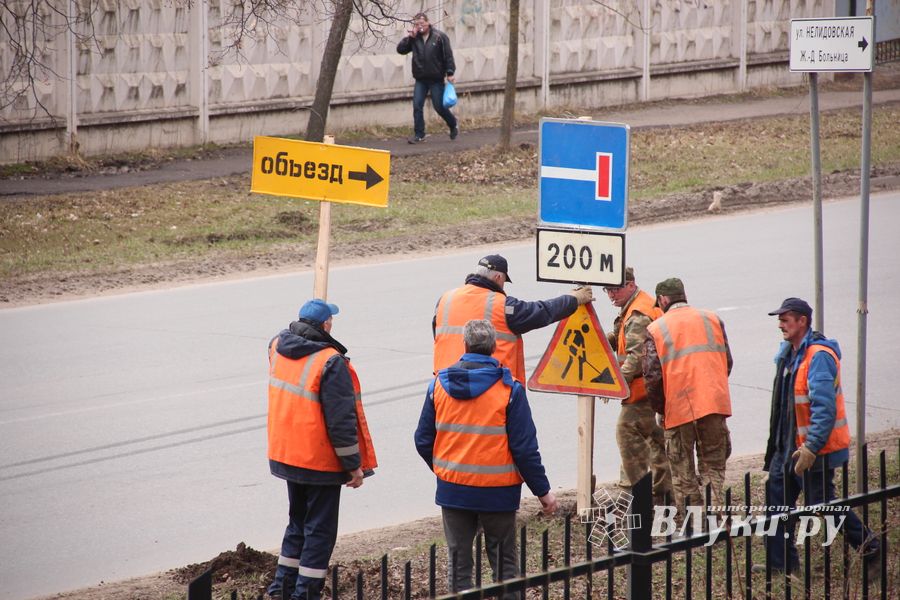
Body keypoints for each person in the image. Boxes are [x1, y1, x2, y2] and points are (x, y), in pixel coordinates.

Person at [415, 319, 557, 597]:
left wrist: (445, 470)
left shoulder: (439, 385)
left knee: (459, 565)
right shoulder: (509, 390)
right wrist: (543, 492)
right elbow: (525, 449)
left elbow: (422, 439)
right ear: (494, 348)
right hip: (498, 494)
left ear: (465, 345)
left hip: (454, 490)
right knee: (505, 566)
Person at [266, 299, 377, 600]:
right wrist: (353, 465)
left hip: (288, 454)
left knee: (297, 523)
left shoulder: (277, 345)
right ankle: (305, 593)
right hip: (319, 462)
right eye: (331, 321)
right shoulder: (330, 362)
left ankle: (281, 589)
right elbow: (341, 422)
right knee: (319, 532)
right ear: (326, 324)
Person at [762, 297, 880, 576]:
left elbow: (824, 408)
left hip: (811, 451)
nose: (780, 324)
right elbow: (782, 407)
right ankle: (782, 567)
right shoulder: (789, 354)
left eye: (785, 318)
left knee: (824, 508)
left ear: (802, 320)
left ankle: (870, 546)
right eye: (779, 319)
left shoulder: (819, 356)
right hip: (784, 449)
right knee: (776, 506)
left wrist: (810, 447)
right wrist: (775, 453)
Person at [642, 277, 733, 520]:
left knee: (683, 470)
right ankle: (716, 520)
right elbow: (727, 362)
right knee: (713, 466)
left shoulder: (656, 328)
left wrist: (663, 409)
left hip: (680, 409)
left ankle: (695, 525)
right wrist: (712, 390)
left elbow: (652, 377)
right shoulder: (712, 319)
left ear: (662, 300)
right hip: (714, 404)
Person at [433, 254, 594, 384]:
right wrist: (574, 299)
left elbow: (438, 335)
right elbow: (541, 312)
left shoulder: (445, 300)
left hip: (446, 386)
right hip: (490, 387)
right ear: (497, 277)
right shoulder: (502, 306)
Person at [603, 267, 672, 504]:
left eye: (615, 289)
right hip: (656, 388)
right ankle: (664, 492)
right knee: (657, 439)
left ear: (631, 285)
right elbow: (625, 337)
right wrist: (605, 340)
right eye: (607, 290)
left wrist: (615, 384)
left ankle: (639, 496)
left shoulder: (638, 313)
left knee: (627, 432)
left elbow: (635, 356)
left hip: (644, 391)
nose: (611, 294)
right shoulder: (635, 307)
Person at [396, 12, 459, 144]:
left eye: (422, 23)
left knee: (439, 107)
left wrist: (450, 72)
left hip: (436, 79)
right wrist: (409, 38)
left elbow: (448, 56)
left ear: (428, 23)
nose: (420, 26)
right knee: (417, 105)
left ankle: (453, 124)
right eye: (417, 24)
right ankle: (419, 134)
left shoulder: (439, 37)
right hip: (420, 79)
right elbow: (400, 50)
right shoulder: (414, 38)